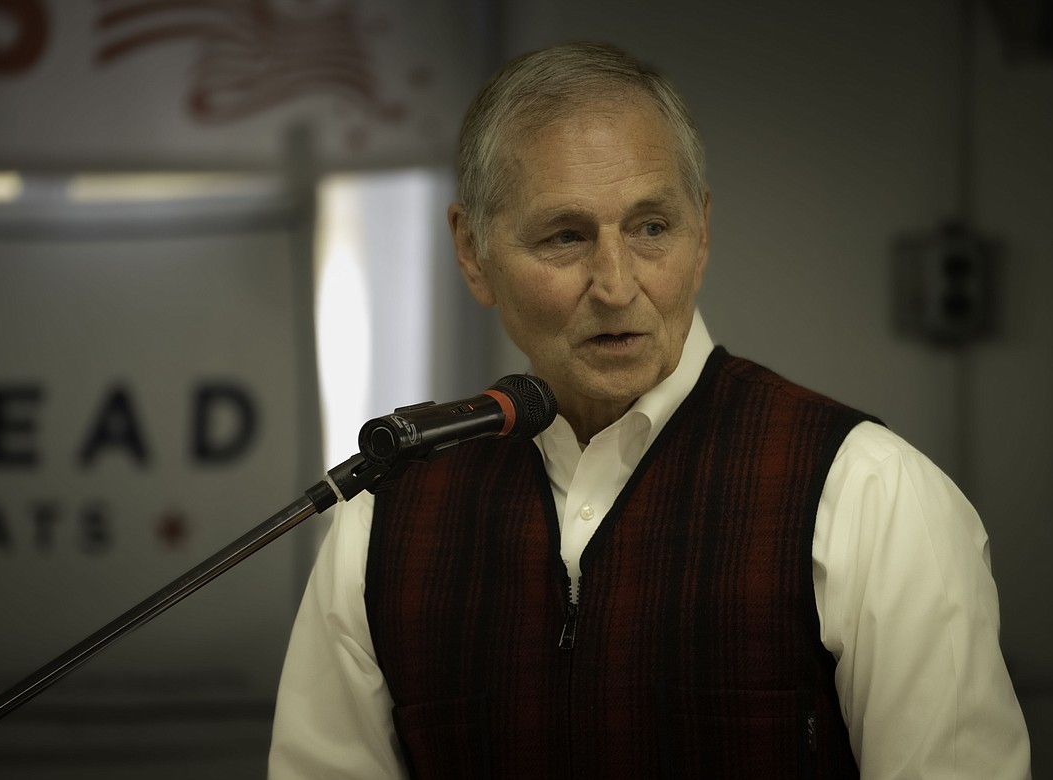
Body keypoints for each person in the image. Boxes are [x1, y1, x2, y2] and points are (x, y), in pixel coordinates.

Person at [268, 41, 1031, 778]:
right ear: (472, 251)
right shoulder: (391, 512)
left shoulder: (869, 493)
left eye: (651, 228)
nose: (615, 282)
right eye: (565, 237)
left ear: (701, 233)